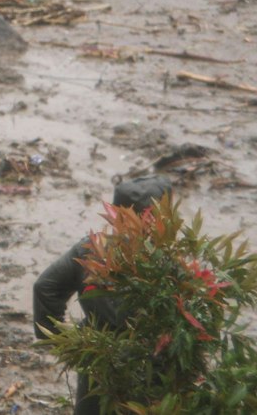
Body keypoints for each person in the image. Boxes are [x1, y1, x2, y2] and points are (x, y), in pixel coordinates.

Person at [32, 175, 177, 415]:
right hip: (151, 369)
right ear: (159, 216)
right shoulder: (169, 261)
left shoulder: (91, 248)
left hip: (98, 360)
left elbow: (45, 288)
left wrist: (65, 342)